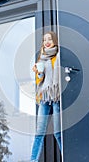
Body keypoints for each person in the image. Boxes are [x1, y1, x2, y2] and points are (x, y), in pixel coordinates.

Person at [30, 31, 62, 162]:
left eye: (49, 39)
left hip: (55, 96)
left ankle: (67, 156)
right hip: (44, 97)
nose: (47, 42)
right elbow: (40, 81)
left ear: (55, 40)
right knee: (39, 133)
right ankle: (33, 160)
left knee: (58, 132)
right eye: (44, 40)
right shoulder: (41, 58)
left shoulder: (59, 56)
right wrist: (39, 74)